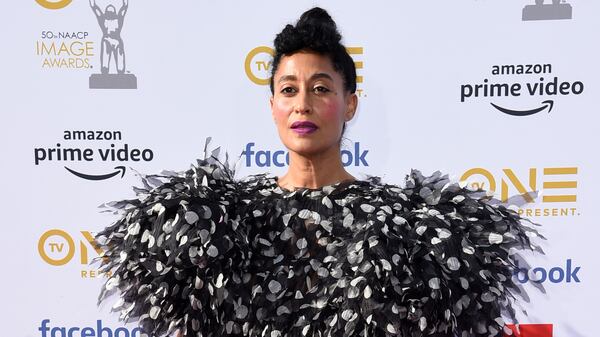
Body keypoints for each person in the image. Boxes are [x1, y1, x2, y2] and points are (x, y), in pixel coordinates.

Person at [94, 7, 544, 337]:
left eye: (321, 88)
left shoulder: (408, 229)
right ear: (272, 108)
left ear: (350, 103)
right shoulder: (217, 224)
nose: (302, 103)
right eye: (288, 89)